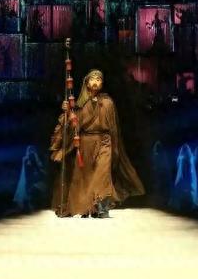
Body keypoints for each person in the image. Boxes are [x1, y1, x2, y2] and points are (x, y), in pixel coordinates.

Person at [50, 69, 145, 218]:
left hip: (104, 142)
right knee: (86, 176)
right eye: (92, 79)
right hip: (86, 143)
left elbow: (113, 128)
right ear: (87, 83)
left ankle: (102, 207)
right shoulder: (80, 104)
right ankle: (90, 207)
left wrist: (115, 148)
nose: (95, 82)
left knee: (102, 174)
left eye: (99, 79)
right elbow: (74, 126)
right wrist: (68, 112)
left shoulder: (107, 102)